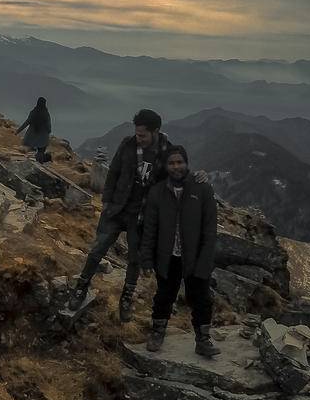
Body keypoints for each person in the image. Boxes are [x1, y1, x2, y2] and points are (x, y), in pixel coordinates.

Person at [68, 109, 172, 320]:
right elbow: (114, 171)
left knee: (134, 259)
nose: (138, 138)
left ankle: (126, 299)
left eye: (143, 135)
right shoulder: (128, 144)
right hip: (116, 208)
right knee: (97, 249)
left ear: (156, 131)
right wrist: (106, 201)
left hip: (141, 216)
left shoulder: (166, 153)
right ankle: (81, 287)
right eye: (137, 133)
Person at [140, 146, 219, 358]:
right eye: (172, 163)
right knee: (164, 296)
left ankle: (203, 339)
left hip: (194, 256)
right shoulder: (158, 192)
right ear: (166, 166)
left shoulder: (202, 189)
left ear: (187, 163)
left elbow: (210, 229)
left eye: (180, 162)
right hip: (167, 257)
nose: (176, 167)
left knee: (201, 298)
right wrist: (147, 258)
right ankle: (157, 332)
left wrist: (205, 260)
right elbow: (150, 229)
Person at [16, 97, 53, 162]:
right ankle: (41, 161)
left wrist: (18, 131)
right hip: (42, 138)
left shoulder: (33, 112)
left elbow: (26, 123)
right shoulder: (46, 114)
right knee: (41, 151)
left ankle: (30, 160)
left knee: (29, 150)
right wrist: (48, 131)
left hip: (31, 137)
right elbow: (48, 126)